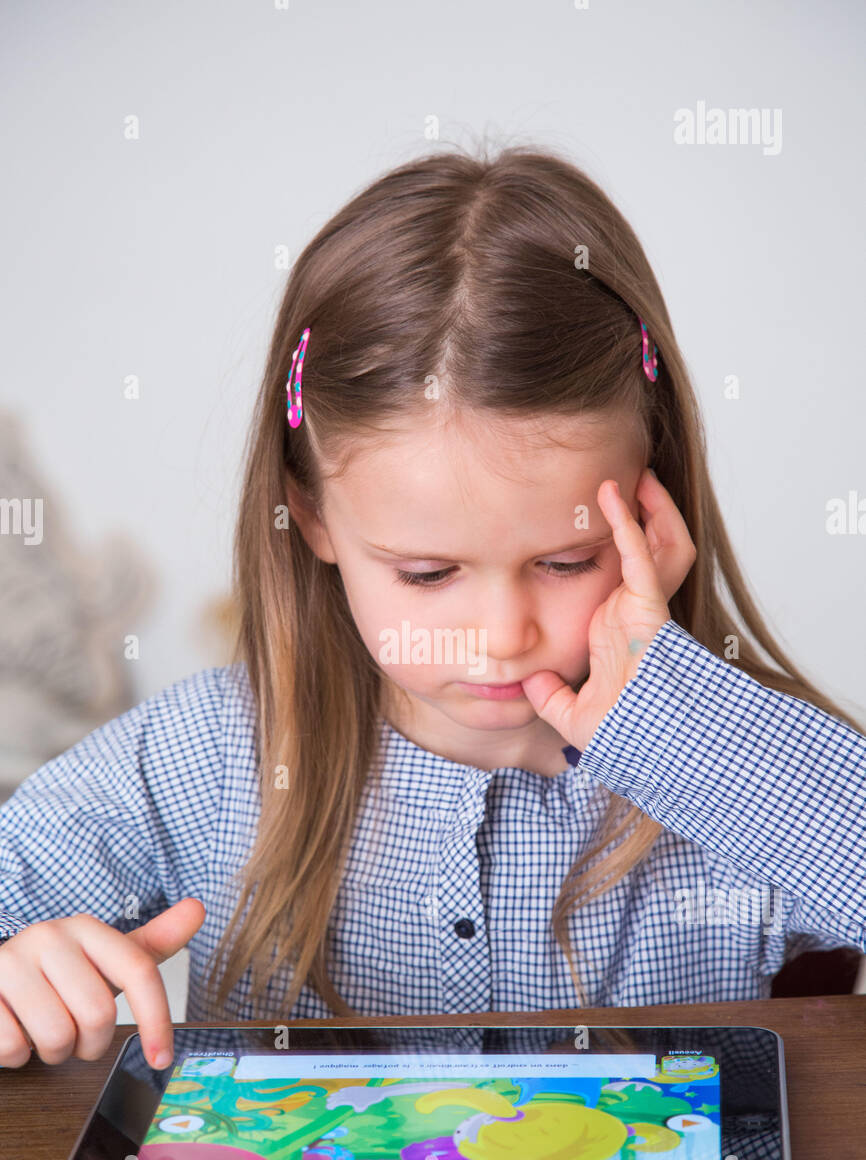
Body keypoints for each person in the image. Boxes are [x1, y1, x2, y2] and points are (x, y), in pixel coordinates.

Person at [1, 141, 864, 1075]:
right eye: (425, 573)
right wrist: (17, 975)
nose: (501, 635)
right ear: (313, 517)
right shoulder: (204, 756)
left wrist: (681, 725)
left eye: (566, 559)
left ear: (655, 509)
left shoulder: (737, 756)